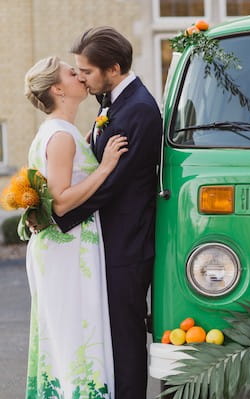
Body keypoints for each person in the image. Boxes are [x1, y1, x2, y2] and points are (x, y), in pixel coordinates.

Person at [52, 26, 163, 399]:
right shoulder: (113, 101)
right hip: (111, 237)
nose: (81, 77)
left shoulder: (140, 111)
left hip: (128, 243)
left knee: (126, 333)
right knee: (110, 330)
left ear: (113, 68)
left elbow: (114, 185)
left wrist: (59, 216)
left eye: (87, 71)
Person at [24, 56, 128, 398]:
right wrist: (105, 166)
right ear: (58, 88)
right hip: (66, 251)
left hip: (66, 248)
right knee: (74, 334)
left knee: (69, 333)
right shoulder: (61, 136)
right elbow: (61, 202)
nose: (80, 75)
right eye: (72, 73)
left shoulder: (62, 132)